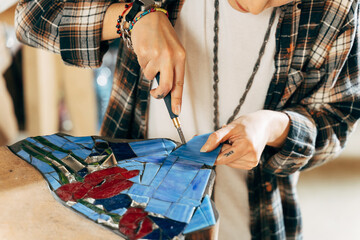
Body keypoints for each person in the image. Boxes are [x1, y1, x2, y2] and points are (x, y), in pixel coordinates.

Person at [15, 0, 360, 239]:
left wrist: (274, 127)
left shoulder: (335, 8)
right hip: (131, 220)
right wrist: (130, 19)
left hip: (254, 223)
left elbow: (335, 119)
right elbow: (31, 17)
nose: (254, 6)